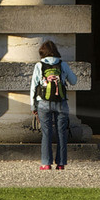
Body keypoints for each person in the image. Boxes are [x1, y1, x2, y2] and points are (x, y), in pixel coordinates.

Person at [30, 40, 78, 171]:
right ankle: (61, 163)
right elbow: (74, 81)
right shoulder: (63, 64)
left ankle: (46, 163)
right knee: (61, 132)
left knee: (46, 133)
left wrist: (33, 106)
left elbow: (34, 87)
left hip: (43, 102)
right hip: (61, 102)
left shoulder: (39, 66)